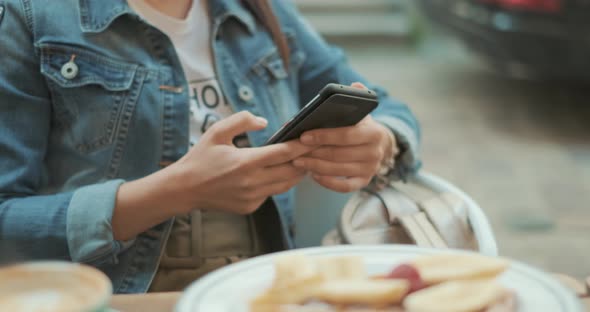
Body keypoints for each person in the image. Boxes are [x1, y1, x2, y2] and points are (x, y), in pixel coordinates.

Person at [0, 0, 421, 293]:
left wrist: (381, 142)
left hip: (270, 282)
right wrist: (175, 192)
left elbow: (388, 106)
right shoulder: (29, 17)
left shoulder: (260, 11)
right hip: (122, 295)